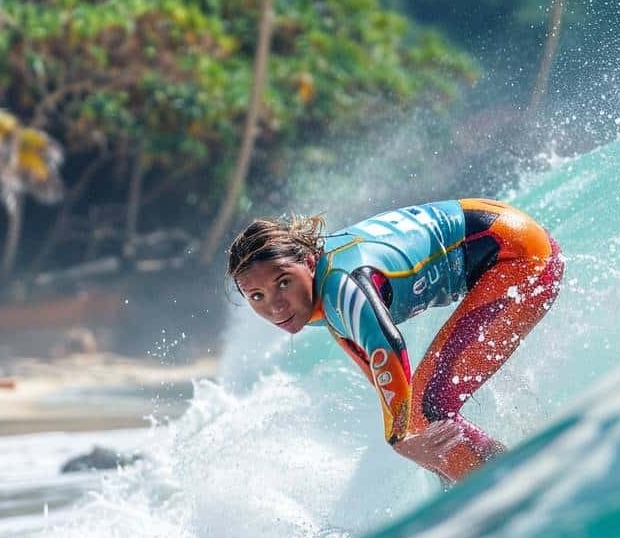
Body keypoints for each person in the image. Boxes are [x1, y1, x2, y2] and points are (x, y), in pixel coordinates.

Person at [227, 198, 562, 483]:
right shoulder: (319, 296)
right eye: (256, 296)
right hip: (502, 239)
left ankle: (509, 489)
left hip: (516, 254)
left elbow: (387, 344)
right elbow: (380, 371)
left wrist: (398, 439)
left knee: (423, 411)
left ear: (309, 262)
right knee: (419, 419)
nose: (275, 305)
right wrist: (415, 443)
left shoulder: (343, 285)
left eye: (283, 283)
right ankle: (489, 482)